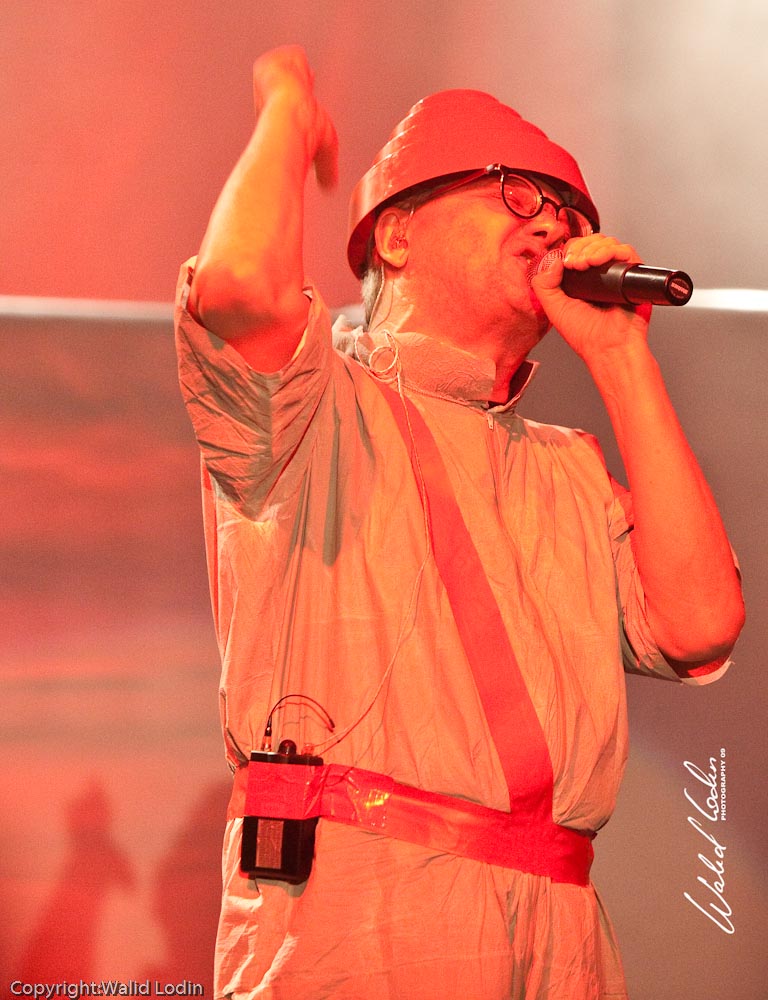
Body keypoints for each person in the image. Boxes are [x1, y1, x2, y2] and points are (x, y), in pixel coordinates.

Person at [174, 45, 744, 1000]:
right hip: (362, 909)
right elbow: (236, 288)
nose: (552, 225)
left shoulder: (568, 465)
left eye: (567, 213)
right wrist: (287, 111)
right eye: (515, 195)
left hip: (563, 927)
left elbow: (701, 623)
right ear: (395, 236)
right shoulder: (311, 406)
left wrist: (621, 358)